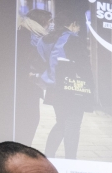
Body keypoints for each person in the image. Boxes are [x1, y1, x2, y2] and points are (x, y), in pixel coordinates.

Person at [39, 10, 94, 159]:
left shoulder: (45, 40)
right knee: (73, 124)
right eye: (78, 26)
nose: (79, 29)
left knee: (62, 122)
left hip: (54, 88)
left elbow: (40, 62)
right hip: (73, 88)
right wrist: (91, 88)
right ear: (72, 24)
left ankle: (48, 156)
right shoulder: (74, 39)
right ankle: (71, 160)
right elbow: (84, 67)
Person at [15, 8, 52, 146]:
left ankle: (23, 147)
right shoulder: (27, 34)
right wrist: (28, 73)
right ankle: (22, 148)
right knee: (30, 119)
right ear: (41, 21)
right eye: (48, 22)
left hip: (30, 83)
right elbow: (22, 58)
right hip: (26, 83)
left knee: (30, 119)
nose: (48, 25)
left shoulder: (33, 34)